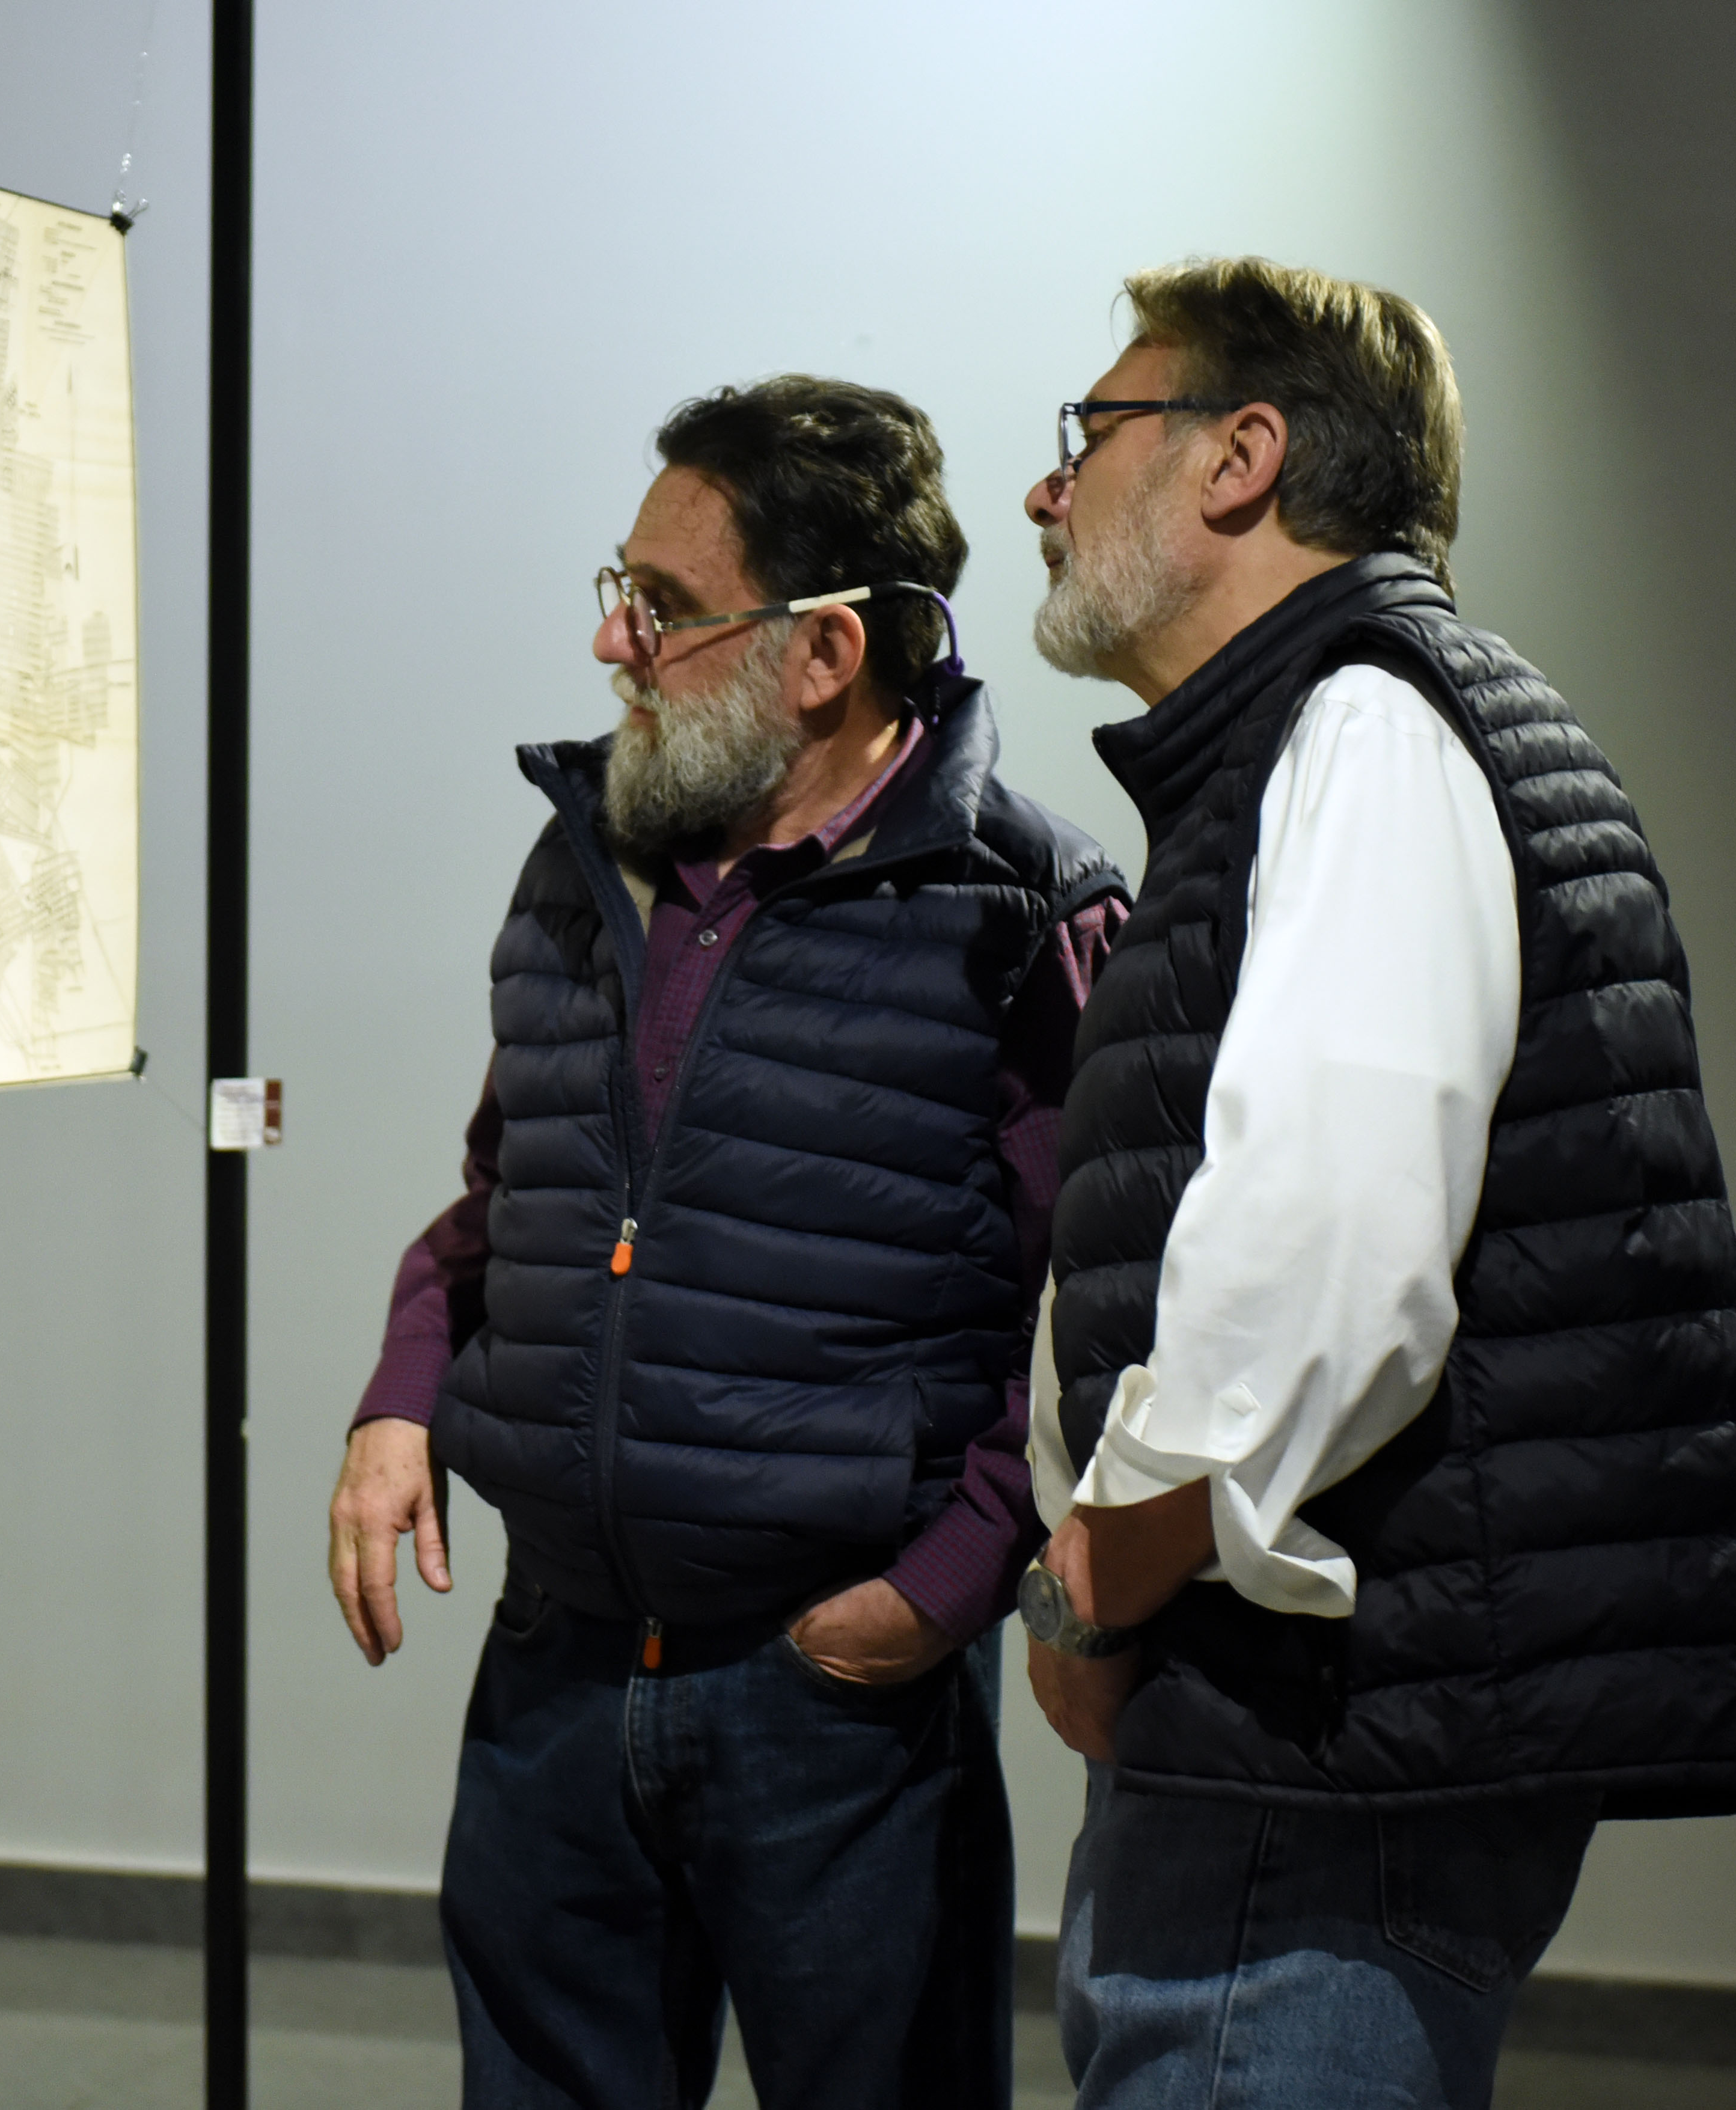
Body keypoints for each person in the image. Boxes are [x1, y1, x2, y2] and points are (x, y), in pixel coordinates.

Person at [1010, 258, 1736, 2110]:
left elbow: (1328, 1257)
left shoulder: (1365, 729)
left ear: (1241, 457)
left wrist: (1095, 1580)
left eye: (1093, 431)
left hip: (1316, 1753)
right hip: (1325, 1736)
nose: (1049, 487)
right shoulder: (1351, 731)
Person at [326, 375, 1128, 2110]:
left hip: (833, 1703)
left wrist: (927, 1601)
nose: (613, 641)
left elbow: (1095, 1315)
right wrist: (401, 1399)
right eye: (618, 589)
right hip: (554, 1678)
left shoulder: (1020, 912)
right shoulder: (579, 868)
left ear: (824, 652)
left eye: (664, 605)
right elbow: (506, 1199)